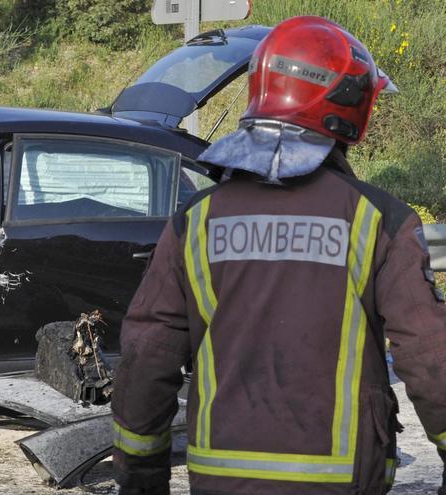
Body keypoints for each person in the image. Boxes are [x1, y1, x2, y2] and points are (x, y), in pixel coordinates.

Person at [112, 15, 446, 495]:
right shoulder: (380, 221)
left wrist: (140, 479)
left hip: (220, 479)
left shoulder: (196, 220)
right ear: (347, 105)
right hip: (338, 480)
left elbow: (148, 358)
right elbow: (430, 355)